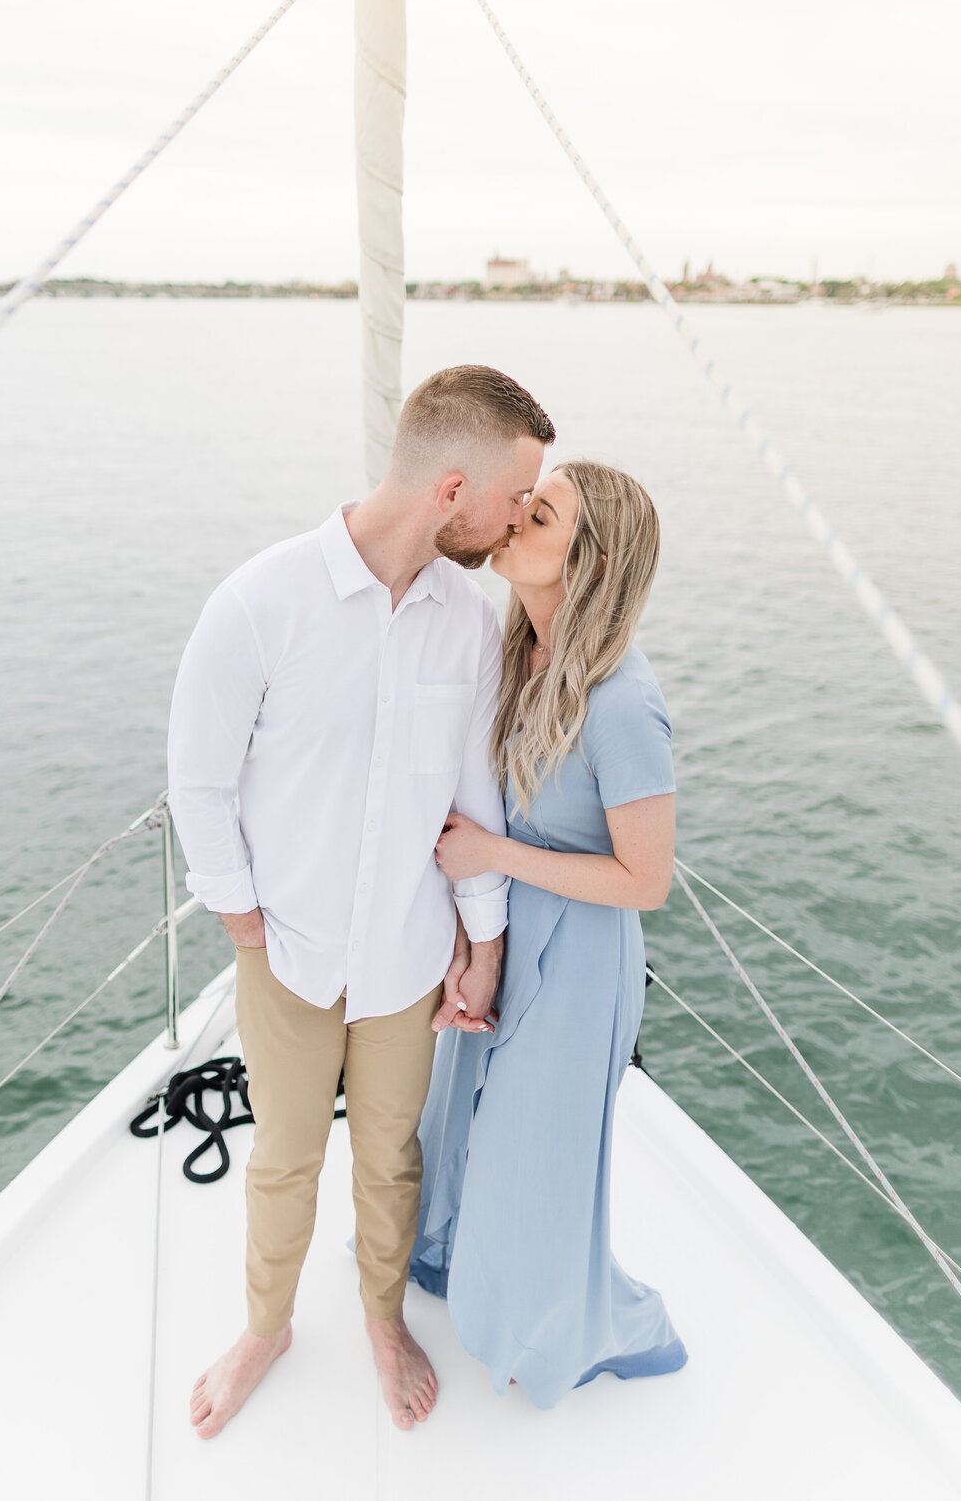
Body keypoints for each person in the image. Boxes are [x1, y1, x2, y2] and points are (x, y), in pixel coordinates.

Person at [166, 365, 556, 1439]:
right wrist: (244, 922)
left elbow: (474, 798)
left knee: (391, 1156)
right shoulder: (259, 601)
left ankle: (381, 1319)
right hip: (283, 954)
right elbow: (197, 782)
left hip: (405, 958)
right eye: (515, 495)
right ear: (452, 488)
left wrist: (482, 944)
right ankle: (265, 1327)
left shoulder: (468, 623)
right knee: (284, 1154)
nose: (519, 516)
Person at [410, 458, 689, 1406]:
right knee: (460, 1119)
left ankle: (550, 1329)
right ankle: (453, 1260)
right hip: (509, 937)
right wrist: (470, 933)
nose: (514, 521)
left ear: (591, 559)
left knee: (535, 1158)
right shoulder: (516, 656)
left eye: (541, 514)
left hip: (579, 963)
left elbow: (646, 879)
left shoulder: (622, 700)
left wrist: (493, 853)